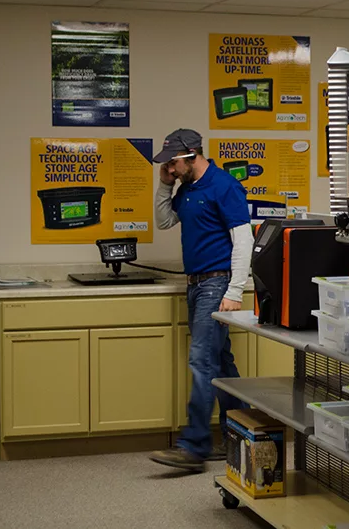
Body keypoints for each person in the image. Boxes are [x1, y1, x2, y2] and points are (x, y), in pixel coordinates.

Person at [148, 128, 253, 473]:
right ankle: (239, 435)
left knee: (202, 361)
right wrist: (165, 185)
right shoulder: (187, 189)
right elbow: (164, 221)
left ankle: (193, 448)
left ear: (192, 155)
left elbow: (244, 241)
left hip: (216, 284)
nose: (170, 169)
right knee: (220, 363)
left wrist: (234, 292)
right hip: (195, 285)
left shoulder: (224, 186)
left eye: (173, 163)